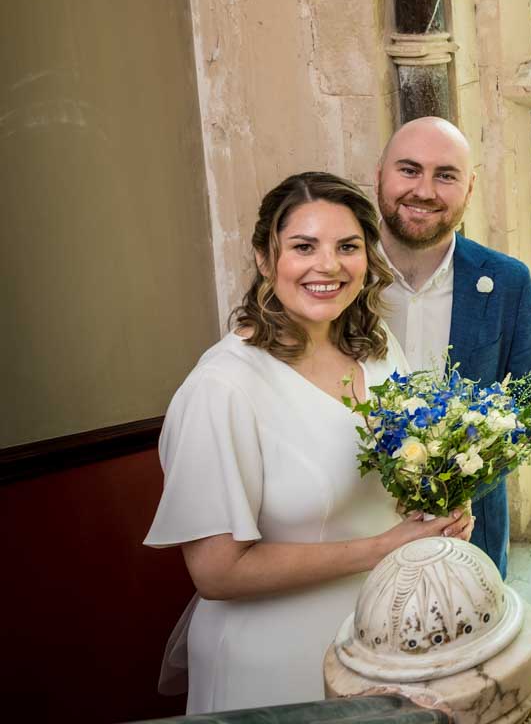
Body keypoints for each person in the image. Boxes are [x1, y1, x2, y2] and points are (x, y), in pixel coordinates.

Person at [146, 172, 473, 713]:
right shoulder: (221, 387)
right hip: (273, 661)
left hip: (384, 637)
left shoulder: (378, 347)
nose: (328, 265)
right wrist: (381, 548)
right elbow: (216, 572)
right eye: (303, 247)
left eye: (347, 247)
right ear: (263, 257)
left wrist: (442, 508)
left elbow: (403, 473)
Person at [376, 116, 531, 577]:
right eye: (409, 170)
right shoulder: (337, 279)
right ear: (380, 174)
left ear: (469, 187)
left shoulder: (506, 281)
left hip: (467, 529)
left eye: (446, 175)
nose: (425, 190)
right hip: (355, 526)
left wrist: (465, 476)